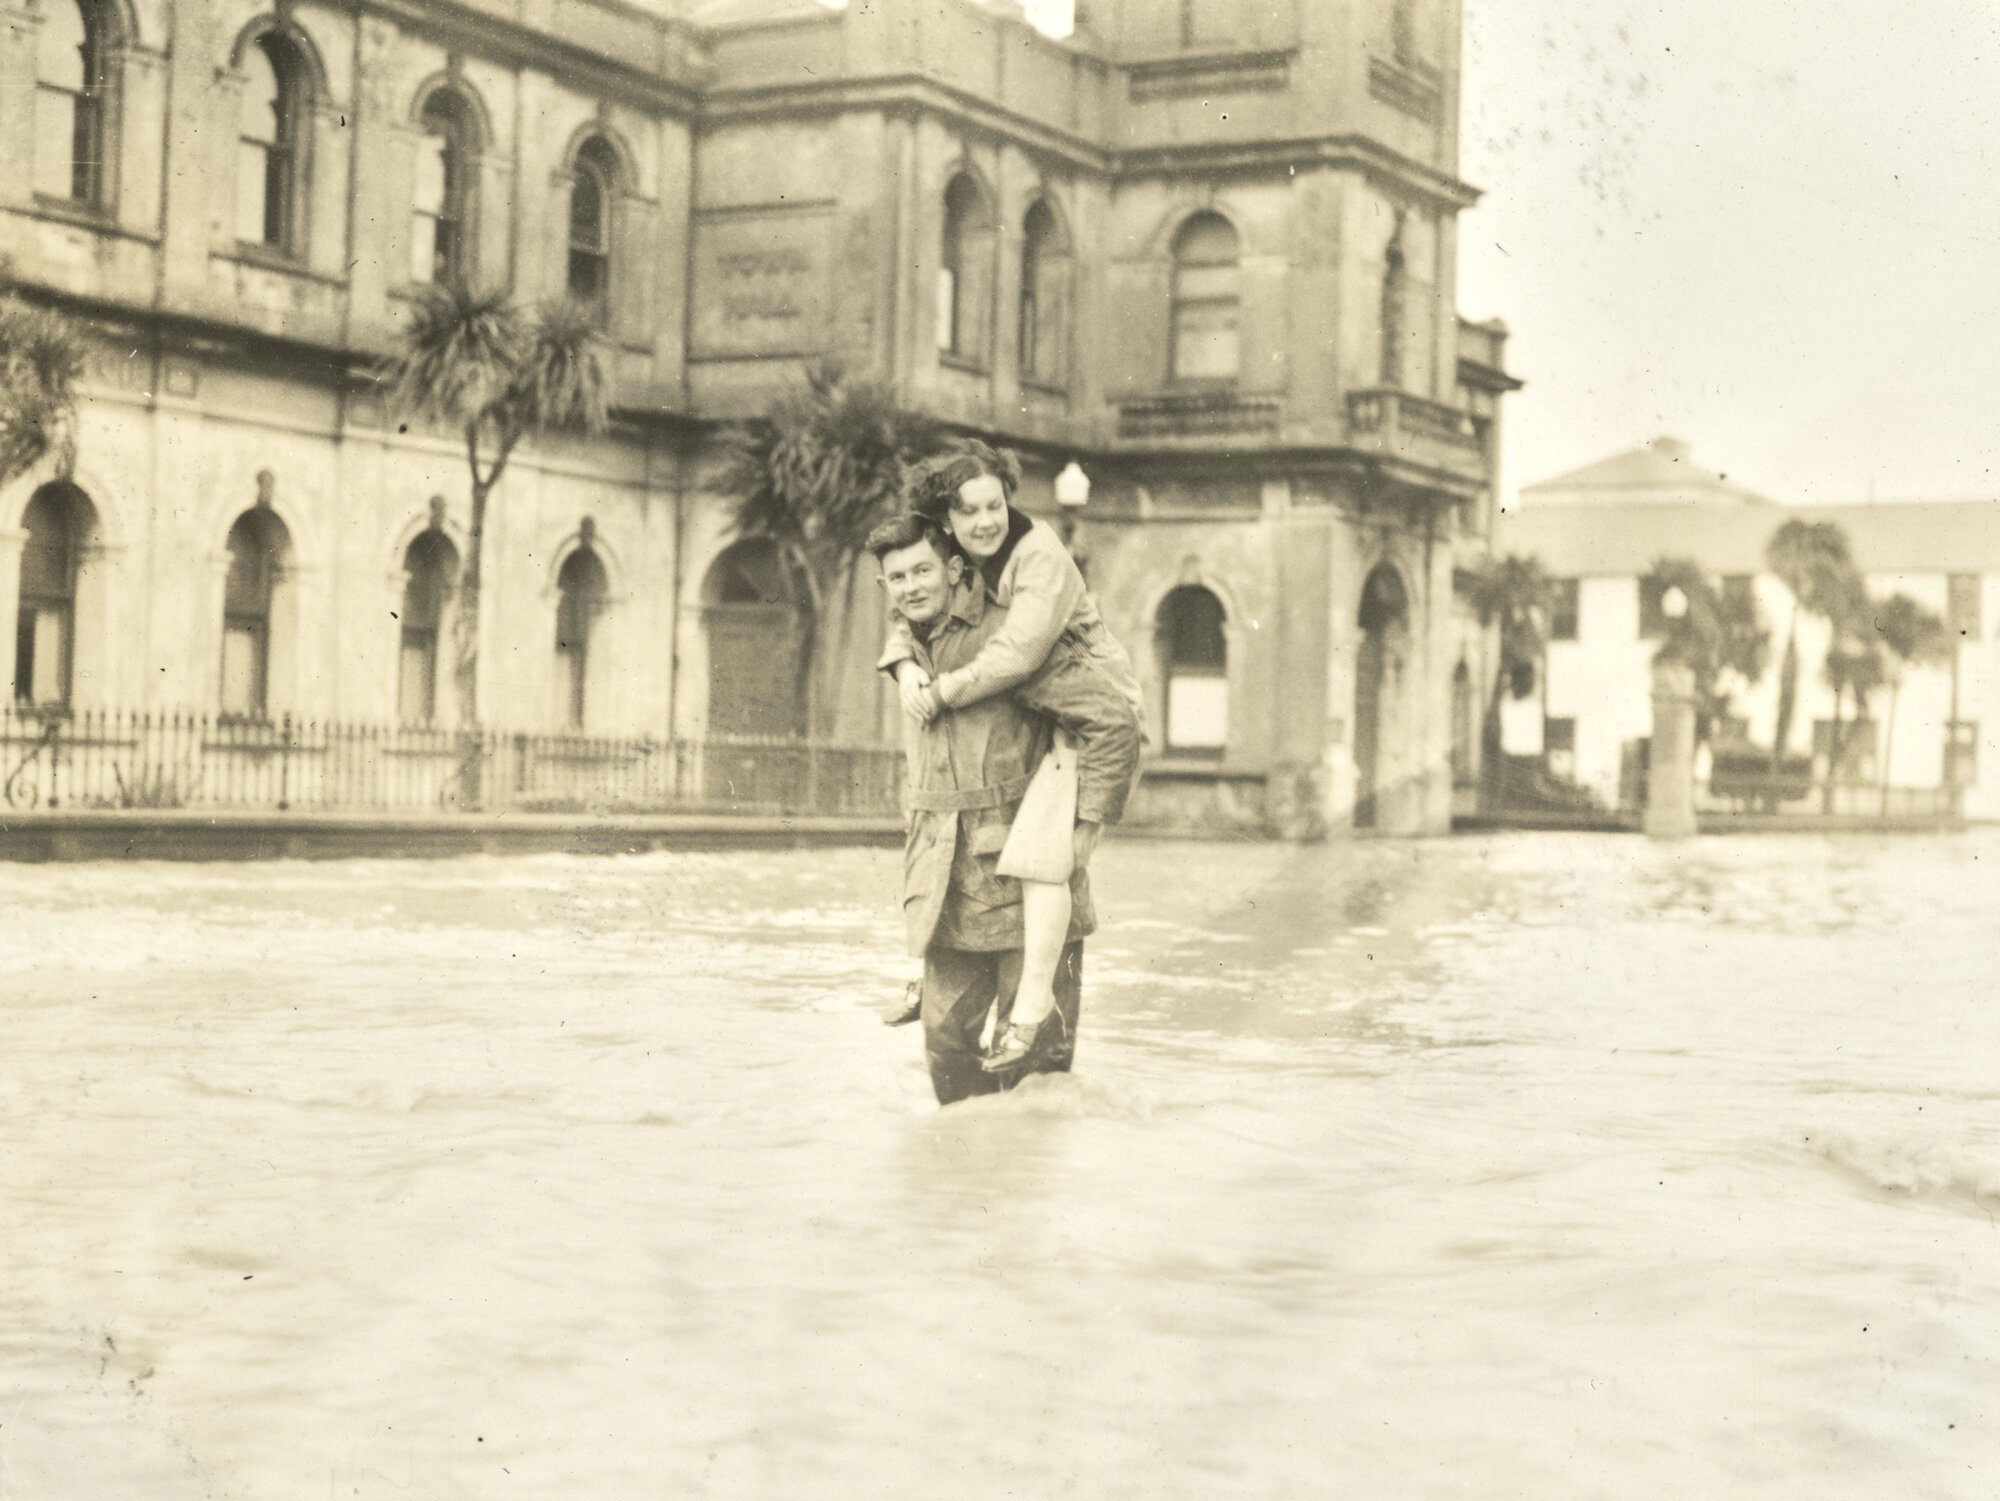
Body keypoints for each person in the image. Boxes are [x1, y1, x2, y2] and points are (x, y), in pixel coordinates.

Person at [881, 441, 1143, 1071]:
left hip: (1093, 702)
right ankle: (938, 974)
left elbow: (1022, 655)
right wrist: (901, 662)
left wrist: (1089, 825)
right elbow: (915, 606)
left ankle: (1030, 1006)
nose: (984, 522)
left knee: (1048, 867)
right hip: (966, 833)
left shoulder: (1038, 556)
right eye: (967, 513)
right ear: (948, 524)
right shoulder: (960, 568)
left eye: (993, 506)